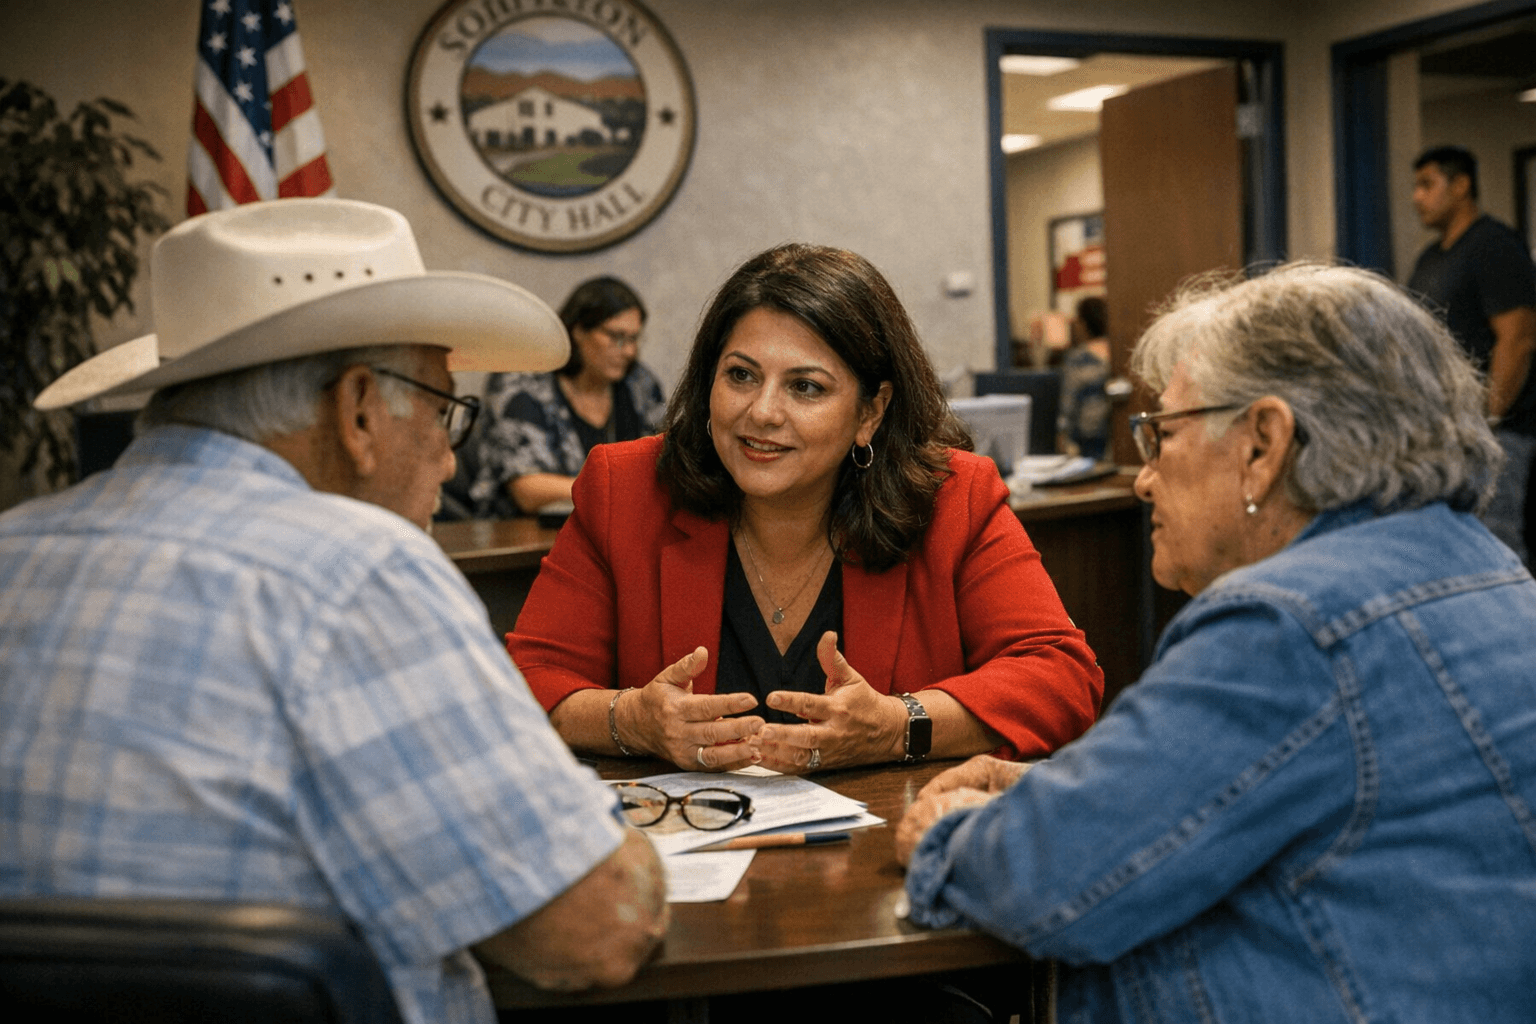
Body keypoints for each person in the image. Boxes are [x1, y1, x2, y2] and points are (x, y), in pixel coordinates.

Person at [0, 199, 667, 1024]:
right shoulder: (361, 570)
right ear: (358, 412)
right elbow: (595, 933)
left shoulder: (11, 546)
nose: (451, 455)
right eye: (442, 409)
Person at [895, 263, 1536, 1023]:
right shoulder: (1491, 571)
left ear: (1264, 443)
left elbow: (1047, 876)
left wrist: (943, 831)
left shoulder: (1287, 624)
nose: (1143, 479)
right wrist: (1056, 793)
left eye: (1161, 435)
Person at [509, 243, 1103, 775]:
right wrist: (628, 718)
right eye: (740, 375)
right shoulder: (627, 488)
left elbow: (1061, 678)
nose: (762, 412)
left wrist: (899, 727)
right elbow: (525, 683)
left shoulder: (954, 497)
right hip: (692, 861)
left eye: (806, 387)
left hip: (886, 861)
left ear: (870, 412)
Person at [1407, 144, 1536, 563]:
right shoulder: (1431, 258)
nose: (1417, 197)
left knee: (1497, 546)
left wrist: (1490, 419)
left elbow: (1517, 338)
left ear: (1461, 185)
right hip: (1445, 432)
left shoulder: (1493, 246)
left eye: (1428, 185)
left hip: (1499, 435)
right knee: (1452, 549)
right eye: (1415, 187)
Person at [464, 275, 665, 518]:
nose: (629, 351)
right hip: (521, 538)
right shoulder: (521, 383)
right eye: (616, 337)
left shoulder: (639, 384)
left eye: (634, 339)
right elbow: (528, 490)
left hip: (619, 531)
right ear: (578, 331)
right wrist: (622, 490)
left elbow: (665, 466)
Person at [1057, 295, 1111, 460]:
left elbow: (1069, 401)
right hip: (1115, 434)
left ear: (1083, 322)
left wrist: (1062, 434)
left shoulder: (1079, 358)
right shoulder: (1118, 353)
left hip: (1087, 435)